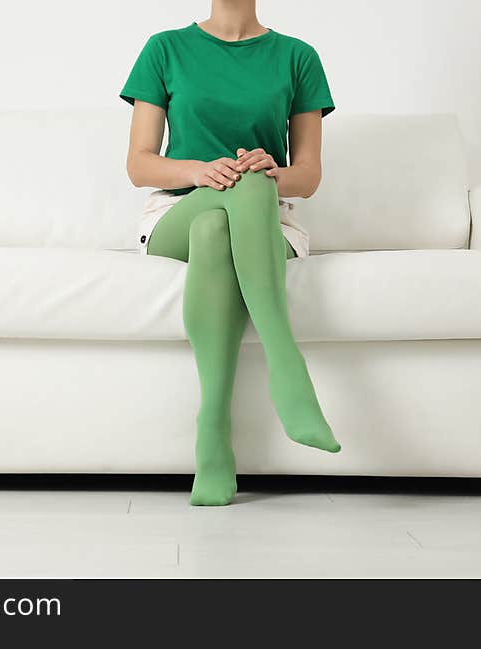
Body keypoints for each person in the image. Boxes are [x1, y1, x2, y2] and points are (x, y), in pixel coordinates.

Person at [120, 1, 340, 506]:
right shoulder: (165, 49)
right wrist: (199, 171)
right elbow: (139, 165)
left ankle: (213, 431)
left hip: (265, 221)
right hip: (175, 215)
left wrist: (271, 171)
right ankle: (288, 368)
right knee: (229, 195)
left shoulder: (296, 56)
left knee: (225, 217)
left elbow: (307, 175)